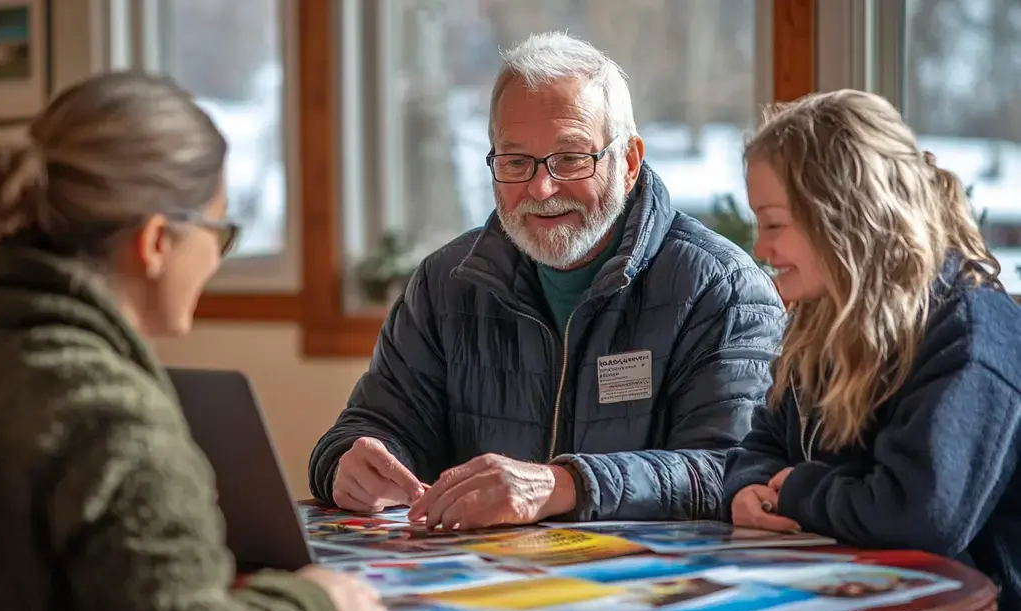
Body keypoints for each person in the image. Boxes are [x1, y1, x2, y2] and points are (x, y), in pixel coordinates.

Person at [0, 72, 385, 611]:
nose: (216, 261)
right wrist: (316, 605)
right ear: (156, 242)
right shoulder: (113, 420)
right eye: (219, 233)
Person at [309, 32, 784, 530]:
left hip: (656, 596)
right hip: (483, 587)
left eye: (571, 157)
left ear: (628, 162)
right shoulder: (445, 285)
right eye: (516, 162)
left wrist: (564, 486)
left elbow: (731, 472)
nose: (541, 187)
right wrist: (344, 463)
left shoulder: (721, 289)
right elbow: (376, 426)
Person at [722, 89, 1021, 611]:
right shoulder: (820, 317)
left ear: (842, 218)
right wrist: (749, 488)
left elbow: (919, 513)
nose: (760, 250)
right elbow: (764, 437)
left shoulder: (970, 336)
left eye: (773, 223)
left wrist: (793, 491)